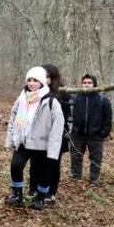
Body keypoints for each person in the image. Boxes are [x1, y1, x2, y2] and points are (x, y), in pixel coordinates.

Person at [5, 66, 65, 211]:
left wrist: (53, 149)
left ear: (42, 83)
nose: (31, 83)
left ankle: (40, 198)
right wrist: (11, 138)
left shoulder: (51, 101)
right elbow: (13, 118)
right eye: (29, 80)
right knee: (16, 165)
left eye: (35, 80)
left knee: (43, 172)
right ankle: (17, 194)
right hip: (23, 140)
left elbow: (57, 126)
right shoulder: (22, 98)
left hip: (42, 143)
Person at [70, 74, 113, 185]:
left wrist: (103, 133)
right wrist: (73, 129)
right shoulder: (76, 98)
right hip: (77, 134)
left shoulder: (102, 100)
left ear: (94, 84)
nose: (87, 85)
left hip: (95, 135)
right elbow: (70, 115)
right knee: (76, 157)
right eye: (85, 83)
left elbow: (108, 118)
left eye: (89, 83)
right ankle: (76, 176)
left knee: (96, 158)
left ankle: (94, 179)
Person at [41, 63, 73, 204]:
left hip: (58, 135)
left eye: (48, 76)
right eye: (43, 76)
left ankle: (51, 192)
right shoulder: (37, 91)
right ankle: (39, 189)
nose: (45, 79)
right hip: (39, 135)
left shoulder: (63, 93)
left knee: (53, 163)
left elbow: (69, 116)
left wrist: (66, 135)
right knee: (40, 163)